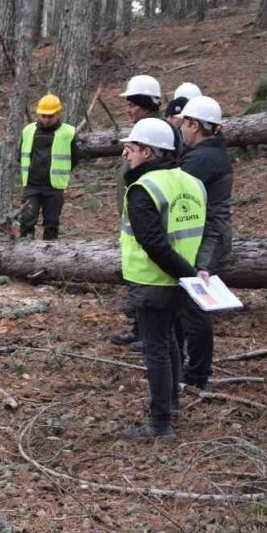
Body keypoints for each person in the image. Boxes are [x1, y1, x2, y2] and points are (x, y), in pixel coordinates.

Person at [118, 118, 207, 440]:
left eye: (133, 147)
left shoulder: (144, 189)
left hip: (155, 282)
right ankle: (170, 406)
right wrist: (196, 271)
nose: (127, 152)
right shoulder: (192, 183)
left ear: (149, 151)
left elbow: (153, 243)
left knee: (155, 348)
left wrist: (188, 273)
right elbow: (202, 233)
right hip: (182, 279)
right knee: (169, 341)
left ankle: (159, 424)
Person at [110, 73, 173, 349]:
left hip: (147, 212)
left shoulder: (157, 133)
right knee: (138, 276)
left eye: (133, 104)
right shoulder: (145, 129)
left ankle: (148, 335)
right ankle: (140, 329)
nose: (129, 109)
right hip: (135, 212)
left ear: (147, 103)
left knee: (147, 277)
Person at [177, 96, 232, 391]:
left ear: (195, 125)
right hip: (205, 234)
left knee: (194, 303)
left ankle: (197, 375)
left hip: (209, 239)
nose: (181, 129)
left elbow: (173, 186)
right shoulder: (207, 152)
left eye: (184, 123)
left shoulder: (201, 159)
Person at [18, 94, 77, 240]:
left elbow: (74, 158)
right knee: (26, 220)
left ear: (58, 114)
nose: (46, 119)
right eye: (43, 116)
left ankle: (50, 256)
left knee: (51, 223)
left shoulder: (68, 132)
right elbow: (21, 154)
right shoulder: (28, 131)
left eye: (50, 116)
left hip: (54, 187)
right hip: (32, 186)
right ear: (38, 114)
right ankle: (25, 252)